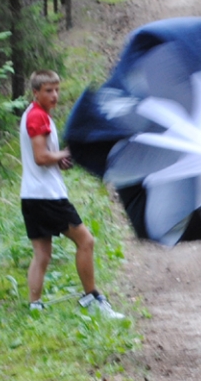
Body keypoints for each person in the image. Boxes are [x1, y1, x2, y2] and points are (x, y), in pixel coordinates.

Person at [20, 70, 124, 318]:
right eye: (48, 90)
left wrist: (59, 160)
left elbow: (45, 158)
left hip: (31, 195)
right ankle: (92, 298)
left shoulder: (34, 115)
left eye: (56, 89)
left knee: (42, 254)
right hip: (48, 197)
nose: (54, 95)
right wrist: (67, 154)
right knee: (86, 241)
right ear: (36, 92)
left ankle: (35, 306)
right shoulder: (38, 118)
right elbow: (41, 156)